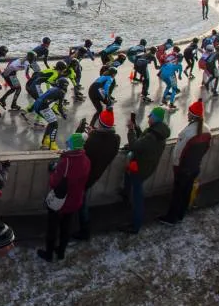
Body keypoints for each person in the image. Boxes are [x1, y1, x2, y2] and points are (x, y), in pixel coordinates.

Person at [38, 131, 90, 262]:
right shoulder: (86, 160)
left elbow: (54, 182)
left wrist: (53, 170)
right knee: (66, 228)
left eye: (69, 142)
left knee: (52, 228)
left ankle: (49, 254)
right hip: (75, 200)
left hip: (60, 202)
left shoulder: (66, 162)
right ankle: (61, 252)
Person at [159, 100, 212, 225]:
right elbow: (206, 148)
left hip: (183, 169)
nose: (187, 115)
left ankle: (171, 217)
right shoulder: (207, 130)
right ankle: (181, 214)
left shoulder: (188, 133)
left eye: (189, 113)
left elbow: (179, 152)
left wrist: (176, 167)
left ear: (193, 116)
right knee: (187, 191)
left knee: (177, 193)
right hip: (195, 167)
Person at [123, 107, 171, 233]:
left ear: (154, 118)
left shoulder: (152, 136)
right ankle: (125, 196)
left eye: (150, 116)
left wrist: (131, 130)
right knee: (129, 179)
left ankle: (135, 225)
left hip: (140, 168)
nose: (148, 117)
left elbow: (135, 145)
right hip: (147, 166)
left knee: (137, 197)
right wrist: (137, 129)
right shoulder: (158, 132)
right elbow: (143, 141)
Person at [75, 110, 120, 239]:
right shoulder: (115, 139)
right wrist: (93, 133)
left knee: (81, 202)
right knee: (82, 200)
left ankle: (84, 231)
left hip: (84, 176)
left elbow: (79, 150)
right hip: (96, 174)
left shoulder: (93, 141)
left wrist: (82, 132)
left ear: (99, 122)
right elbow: (103, 144)